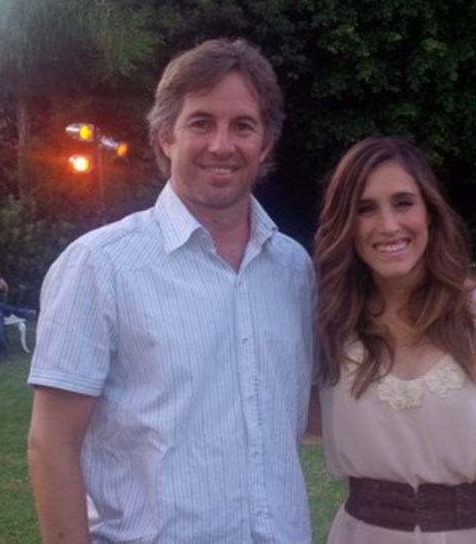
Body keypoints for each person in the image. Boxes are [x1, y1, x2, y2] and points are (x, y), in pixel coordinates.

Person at [27, 38, 315, 543]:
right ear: (165, 136)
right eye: (201, 122)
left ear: (266, 143)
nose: (222, 145)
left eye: (243, 126)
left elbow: (310, 412)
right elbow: (52, 443)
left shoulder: (293, 269)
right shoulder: (100, 265)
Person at [312, 136, 476, 544]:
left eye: (403, 203)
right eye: (365, 209)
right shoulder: (330, 322)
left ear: (430, 213)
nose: (388, 225)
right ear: (345, 225)